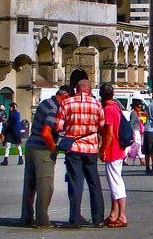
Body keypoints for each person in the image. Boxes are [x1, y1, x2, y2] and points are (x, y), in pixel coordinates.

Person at [21, 84, 72, 229]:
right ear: (65, 96)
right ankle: (42, 220)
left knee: (30, 185)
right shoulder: (54, 108)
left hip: (31, 145)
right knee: (45, 185)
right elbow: (46, 132)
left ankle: (26, 217)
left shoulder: (45, 102)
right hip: (42, 148)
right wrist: (54, 148)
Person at [56, 79, 106, 227]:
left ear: (76, 88)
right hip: (90, 147)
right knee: (94, 183)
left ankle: (75, 217)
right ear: (90, 90)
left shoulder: (66, 103)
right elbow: (101, 125)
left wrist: (70, 127)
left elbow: (59, 126)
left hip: (74, 147)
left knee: (75, 183)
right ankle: (98, 218)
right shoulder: (97, 104)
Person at [99, 83, 128, 227]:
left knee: (116, 183)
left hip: (113, 149)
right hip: (120, 148)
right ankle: (113, 213)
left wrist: (102, 149)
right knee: (114, 183)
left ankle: (122, 216)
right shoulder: (116, 106)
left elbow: (109, 133)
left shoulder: (109, 109)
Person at [125, 98, 145, 166]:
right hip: (135, 131)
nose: (140, 108)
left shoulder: (137, 113)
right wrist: (132, 132)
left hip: (137, 131)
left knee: (137, 145)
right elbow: (131, 123)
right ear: (135, 107)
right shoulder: (133, 114)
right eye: (139, 107)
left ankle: (140, 159)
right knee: (135, 145)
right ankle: (140, 159)